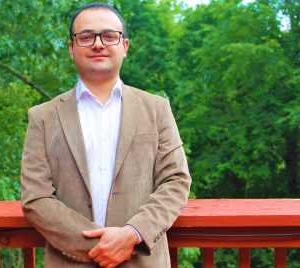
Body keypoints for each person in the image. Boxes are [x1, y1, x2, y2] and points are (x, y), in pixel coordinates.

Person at [20, 2, 191, 267]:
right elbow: (36, 198)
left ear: (124, 46)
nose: (98, 44)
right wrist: (102, 247)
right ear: (71, 48)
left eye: (109, 36)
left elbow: (176, 180)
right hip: (70, 262)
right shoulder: (43, 117)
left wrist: (132, 235)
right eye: (86, 37)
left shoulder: (156, 109)